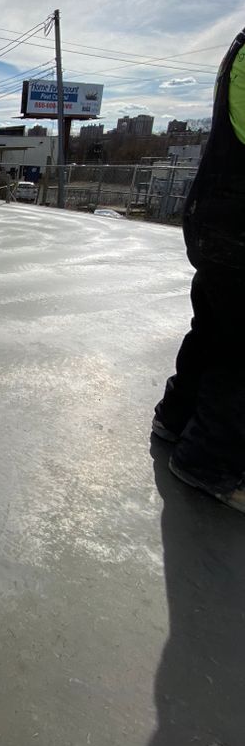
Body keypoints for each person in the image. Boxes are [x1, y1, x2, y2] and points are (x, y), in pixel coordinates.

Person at [153, 26, 245, 512]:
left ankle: (177, 418)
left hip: (219, 213)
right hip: (236, 220)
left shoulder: (241, 45)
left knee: (216, 328)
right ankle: (211, 462)